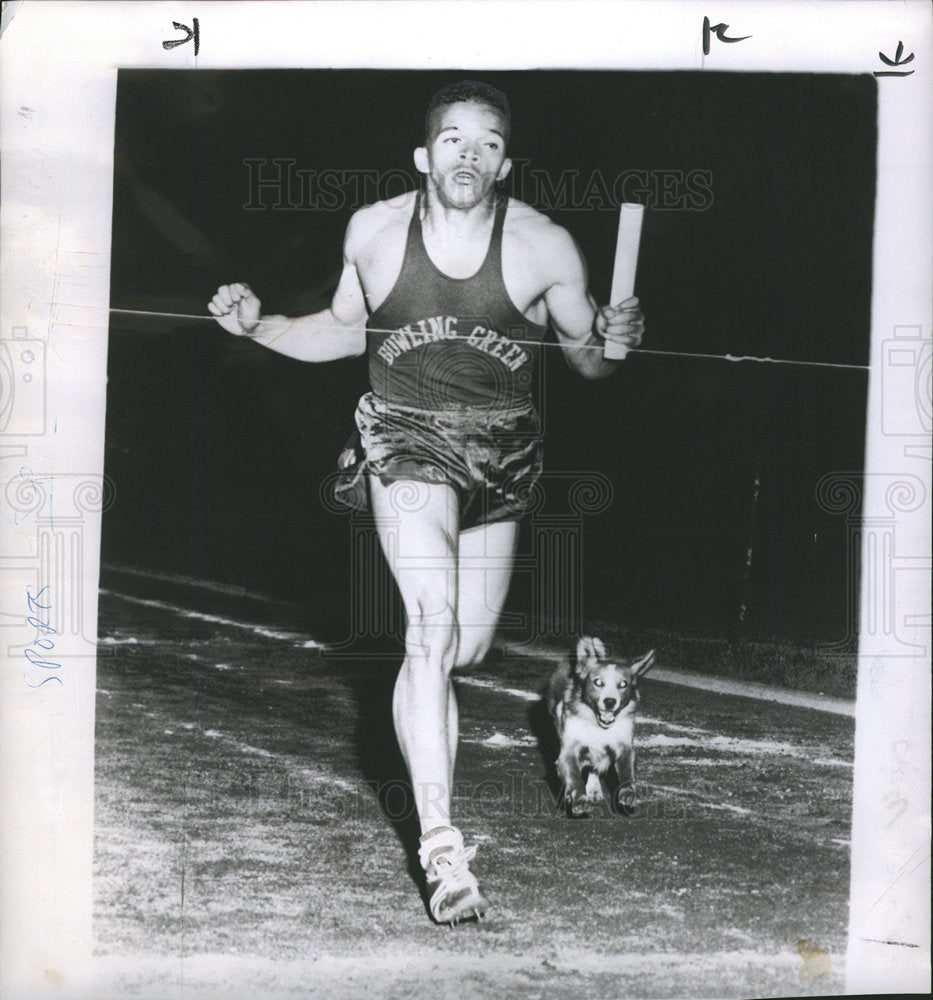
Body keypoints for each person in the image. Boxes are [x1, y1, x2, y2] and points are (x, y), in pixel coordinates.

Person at [208, 80, 645, 925]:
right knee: (429, 626)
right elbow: (344, 328)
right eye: (452, 139)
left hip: (505, 454)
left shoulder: (544, 247)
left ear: (504, 164)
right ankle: (441, 849)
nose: (468, 155)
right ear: (424, 156)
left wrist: (617, 345)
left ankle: (433, 740)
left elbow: (589, 362)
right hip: (405, 440)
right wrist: (260, 326)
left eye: (486, 143)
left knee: (465, 650)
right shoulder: (374, 231)